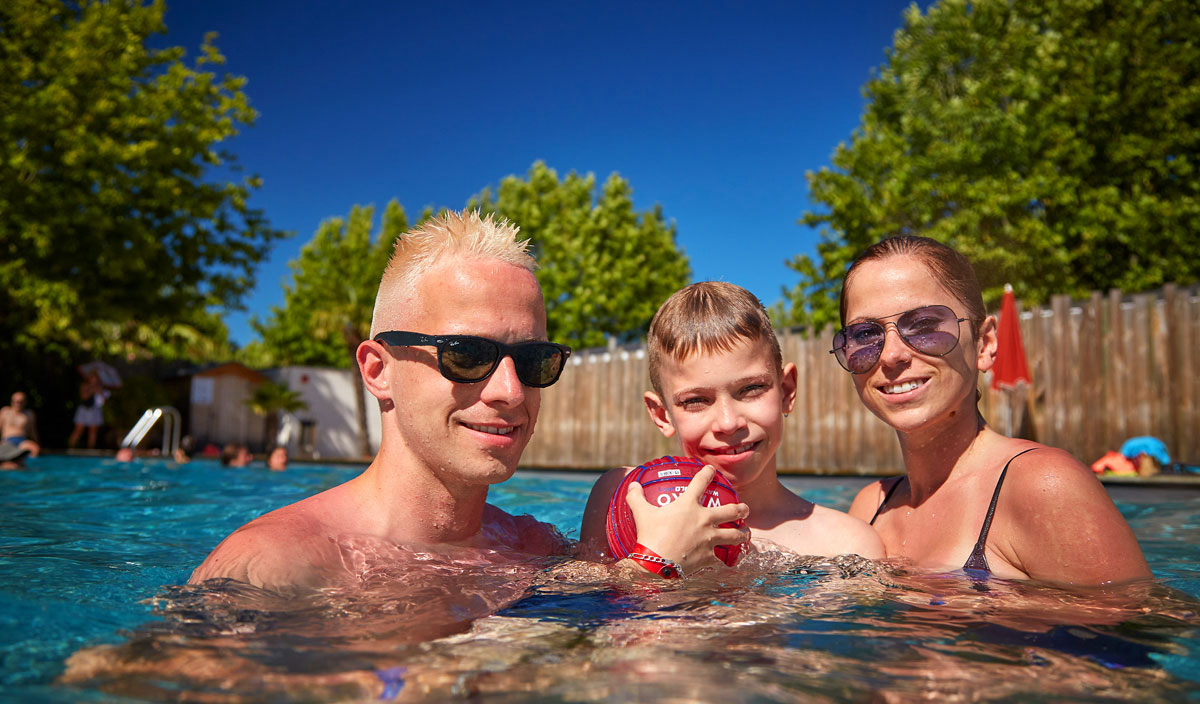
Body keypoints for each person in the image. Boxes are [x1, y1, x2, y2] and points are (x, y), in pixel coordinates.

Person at [190, 211, 740, 592]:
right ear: (378, 371)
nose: (510, 391)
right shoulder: (276, 565)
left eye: (533, 361)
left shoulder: (535, 549)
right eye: (467, 354)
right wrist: (653, 568)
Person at [837, 236, 1150, 585]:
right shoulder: (871, 507)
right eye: (865, 334)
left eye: (924, 326)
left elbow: (1138, 633)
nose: (892, 354)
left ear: (985, 344)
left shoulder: (1043, 486)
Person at [580, 282, 883, 564]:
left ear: (786, 391)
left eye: (751, 389)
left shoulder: (846, 545)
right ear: (661, 415)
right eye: (696, 401)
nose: (728, 422)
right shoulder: (624, 503)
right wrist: (656, 562)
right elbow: (593, 613)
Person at [68, 372, 107, 449]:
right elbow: (84, 397)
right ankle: (70, 447)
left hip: (95, 410)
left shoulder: (100, 387)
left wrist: (100, 392)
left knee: (93, 431)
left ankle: (90, 449)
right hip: (84, 409)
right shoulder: (84, 385)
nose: (94, 379)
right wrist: (92, 390)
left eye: (96, 377)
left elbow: (103, 401)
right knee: (78, 430)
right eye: (92, 377)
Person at [1, 391, 41, 458]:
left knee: (35, 449)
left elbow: (33, 431)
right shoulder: (5, 412)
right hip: (8, 440)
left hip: (22, 441)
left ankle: (31, 465)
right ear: (12, 401)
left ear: (25, 402)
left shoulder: (29, 414)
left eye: (20, 402)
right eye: (16, 401)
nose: (18, 404)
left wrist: (37, 442)